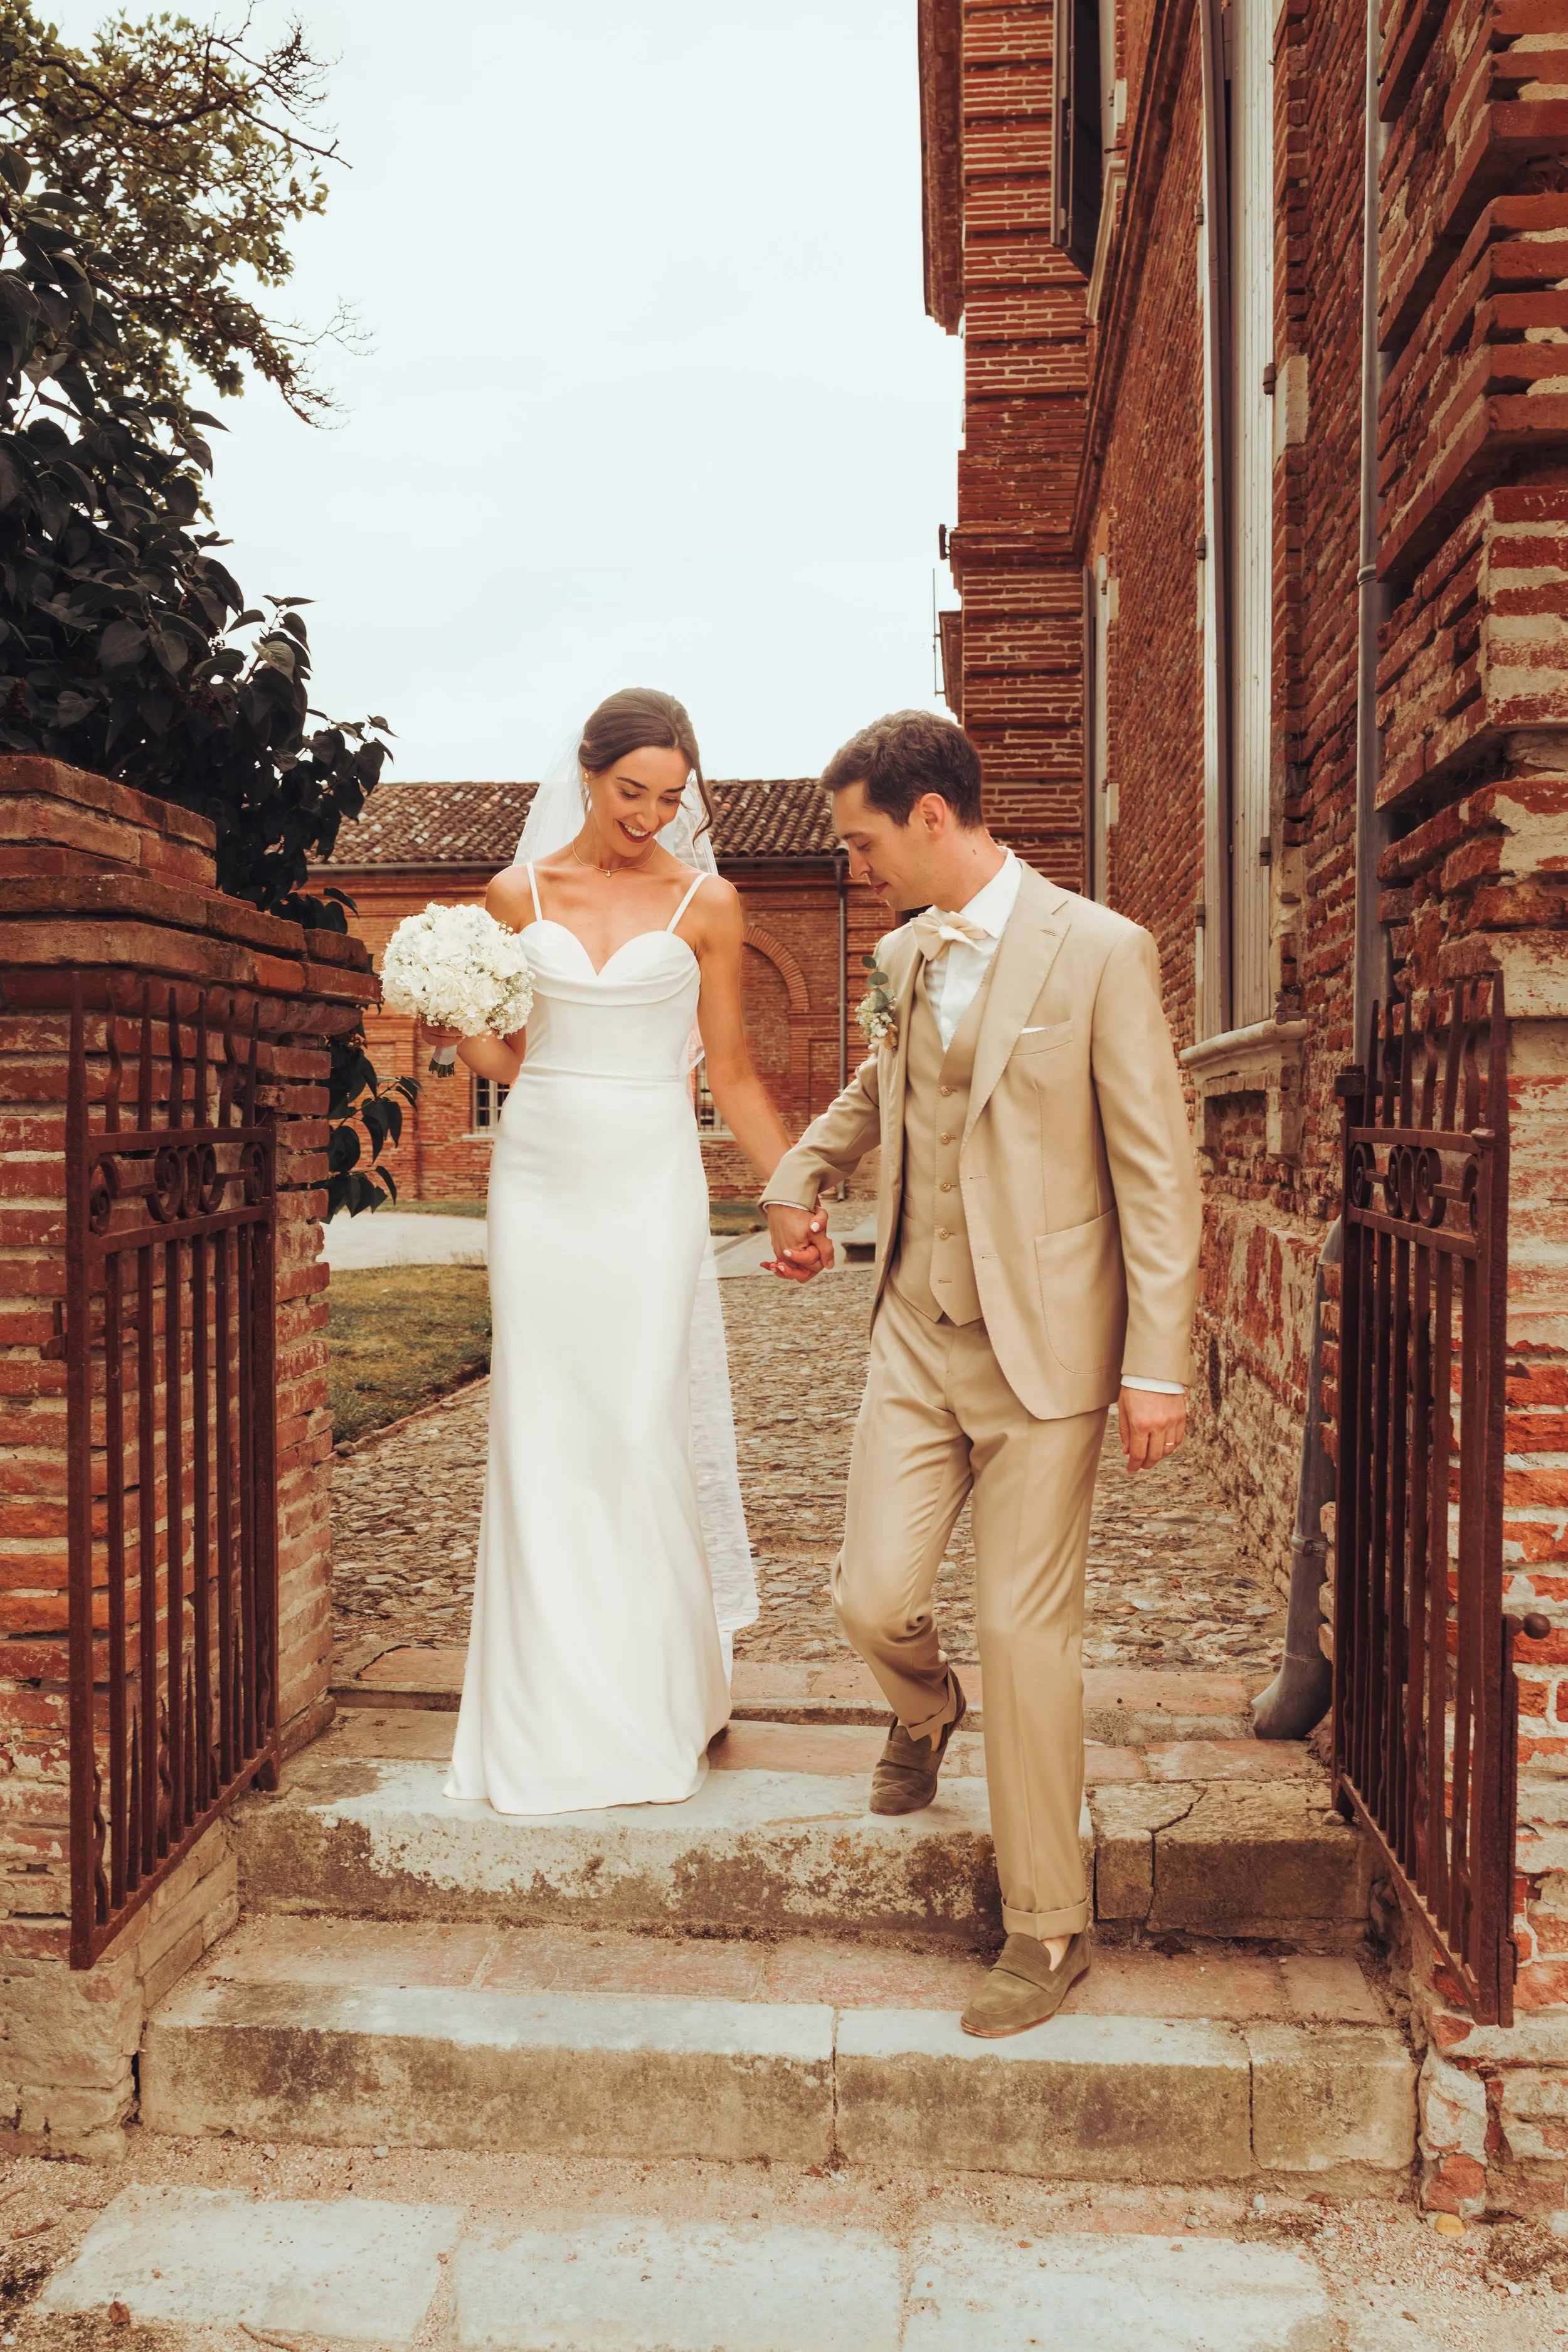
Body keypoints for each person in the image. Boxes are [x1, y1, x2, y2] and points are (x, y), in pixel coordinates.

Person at [763, 710, 1202, 2037]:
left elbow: (1154, 1171)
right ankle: (922, 1706)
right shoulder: (901, 955)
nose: (856, 868)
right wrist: (799, 1177)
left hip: (1050, 1350)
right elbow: (880, 1086)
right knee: (868, 1592)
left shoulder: (1102, 950)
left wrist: (1156, 1365)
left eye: (861, 842)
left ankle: (1045, 1925)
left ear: (932, 818)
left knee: (1025, 1634)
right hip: (914, 1325)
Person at [430, 687, 794, 1815]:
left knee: (637, 1421)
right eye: (632, 791)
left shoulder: (709, 902)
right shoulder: (515, 891)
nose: (649, 814)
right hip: (539, 1173)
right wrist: (450, 1002)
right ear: (586, 776)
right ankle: (546, 1713)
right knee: (544, 1423)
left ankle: (658, 1695)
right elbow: (500, 1059)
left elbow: (729, 1073)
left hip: (648, 1171)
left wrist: (793, 1190)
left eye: (670, 797)